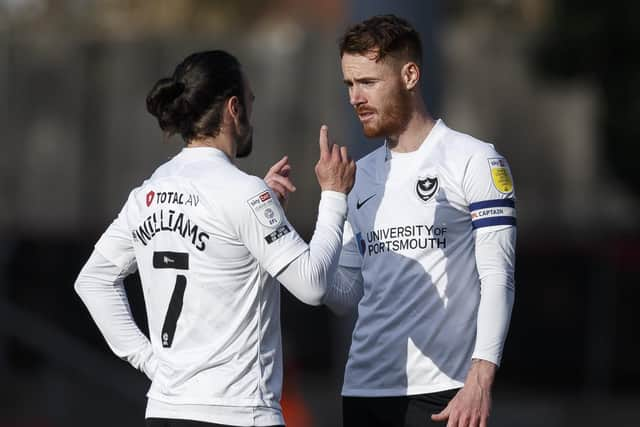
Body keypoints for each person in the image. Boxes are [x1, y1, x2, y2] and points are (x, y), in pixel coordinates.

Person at [74, 50, 355, 427]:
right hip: (237, 413)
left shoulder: (148, 193)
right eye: (251, 100)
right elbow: (313, 285)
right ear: (233, 108)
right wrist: (334, 196)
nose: (252, 113)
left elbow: (92, 280)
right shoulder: (243, 193)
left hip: (166, 411)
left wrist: (150, 362)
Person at [321, 15, 517, 427]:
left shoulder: (473, 159)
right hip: (363, 390)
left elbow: (498, 276)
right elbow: (343, 296)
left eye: (368, 82)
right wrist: (287, 239)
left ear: (410, 74)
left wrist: (480, 379)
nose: (355, 97)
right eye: (349, 85)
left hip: (445, 392)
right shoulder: (357, 176)